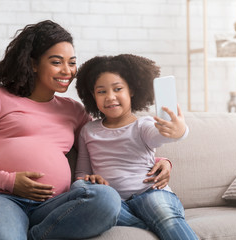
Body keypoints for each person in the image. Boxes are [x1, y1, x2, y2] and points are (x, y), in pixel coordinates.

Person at [0, 20, 124, 240]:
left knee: (106, 199)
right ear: (33, 63)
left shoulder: (73, 110)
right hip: (0, 199)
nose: (67, 71)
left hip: (54, 208)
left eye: (72, 63)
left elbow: (109, 139)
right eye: (57, 62)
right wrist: (10, 181)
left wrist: (156, 158)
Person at [75, 54, 198, 240]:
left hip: (151, 193)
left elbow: (161, 136)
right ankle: (150, 225)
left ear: (131, 90)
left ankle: (159, 222)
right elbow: (80, 175)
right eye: (101, 92)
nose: (110, 97)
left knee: (165, 216)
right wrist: (89, 179)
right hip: (115, 202)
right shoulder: (88, 131)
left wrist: (179, 130)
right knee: (99, 208)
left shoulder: (143, 125)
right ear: (93, 95)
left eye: (118, 89)